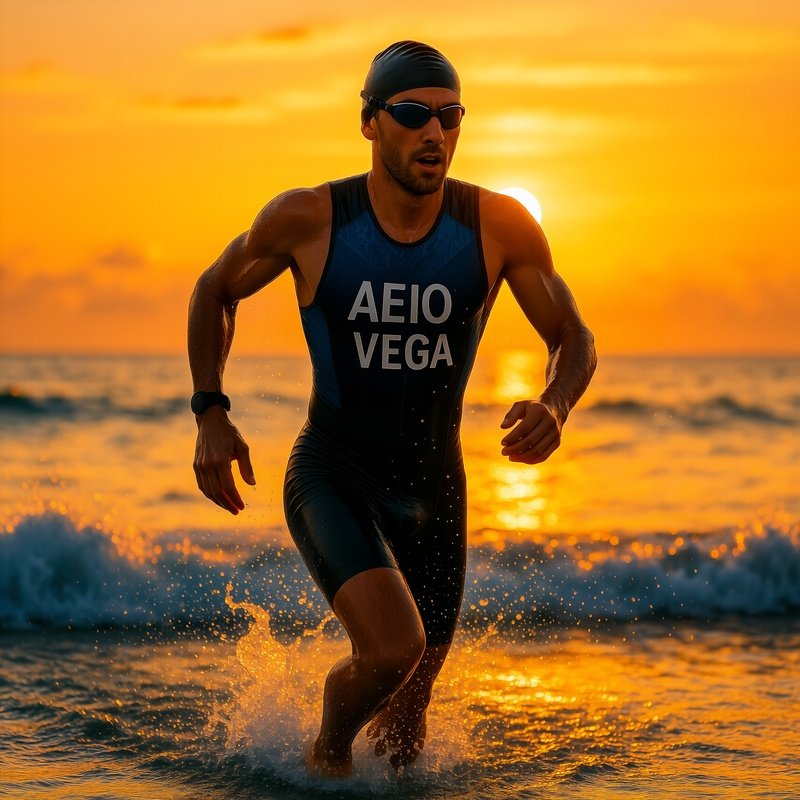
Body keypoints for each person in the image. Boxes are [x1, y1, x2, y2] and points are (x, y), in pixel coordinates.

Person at [188, 40, 596, 777]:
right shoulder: (310, 218)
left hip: (435, 487)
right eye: (414, 115)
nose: (434, 134)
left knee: (409, 726)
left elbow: (572, 333)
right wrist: (211, 411)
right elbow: (213, 290)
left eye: (451, 118)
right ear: (372, 123)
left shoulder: (498, 225)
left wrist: (556, 403)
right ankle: (324, 754)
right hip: (332, 473)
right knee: (389, 652)